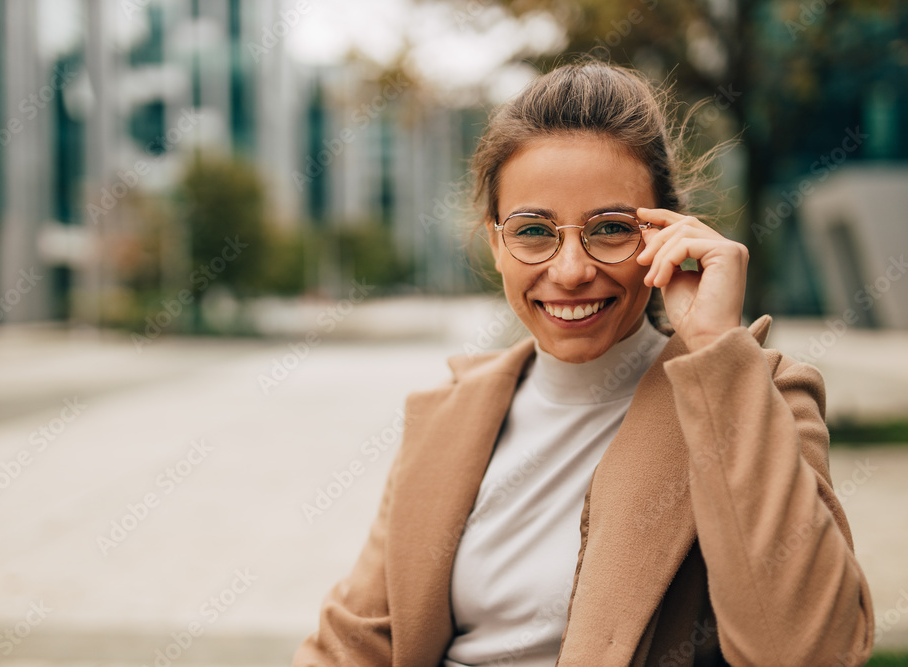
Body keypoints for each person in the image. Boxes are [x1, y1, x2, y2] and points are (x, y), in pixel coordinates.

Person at [293, 60, 875, 666]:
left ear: (667, 236)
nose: (570, 271)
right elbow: (352, 644)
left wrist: (715, 352)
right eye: (534, 232)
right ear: (496, 245)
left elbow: (810, 652)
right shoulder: (448, 414)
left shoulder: (760, 395)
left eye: (610, 229)